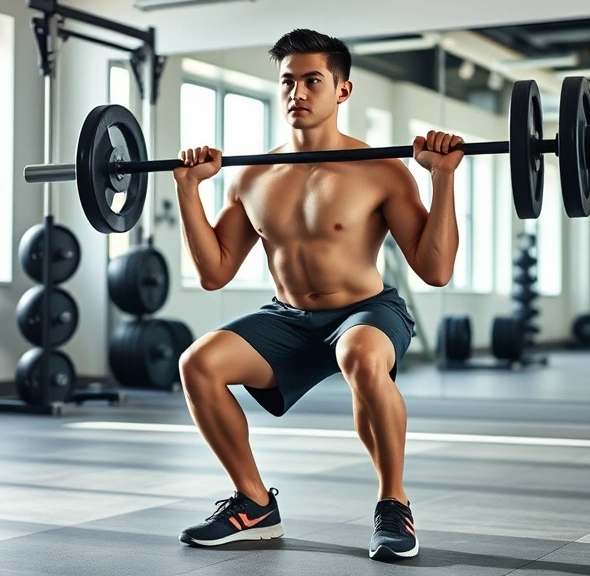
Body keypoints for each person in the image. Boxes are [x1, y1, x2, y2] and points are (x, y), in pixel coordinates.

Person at [170, 29, 464, 560]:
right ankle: (254, 505)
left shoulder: (381, 169)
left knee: (359, 355)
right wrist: (188, 191)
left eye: (312, 80)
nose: (297, 93)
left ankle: (393, 505)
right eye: (288, 81)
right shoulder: (253, 175)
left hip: (366, 312)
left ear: (342, 91)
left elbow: (435, 269)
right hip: (288, 318)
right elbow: (214, 272)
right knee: (198, 363)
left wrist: (442, 179)